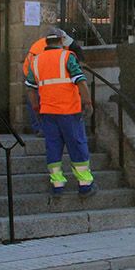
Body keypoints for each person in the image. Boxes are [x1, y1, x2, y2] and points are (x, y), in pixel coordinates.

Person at [25, 29, 95, 196]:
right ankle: (85, 185)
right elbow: (81, 82)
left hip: (48, 113)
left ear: (46, 42)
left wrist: (36, 108)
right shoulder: (67, 57)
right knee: (77, 146)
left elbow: (30, 89)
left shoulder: (35, 61)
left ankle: (57, 186)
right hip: (69, 111)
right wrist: (88, 103)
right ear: (61, 40)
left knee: (53, 148)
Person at [21, 30, 83, 136]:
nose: (65, 45)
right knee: (34, 98)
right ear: (59, 41)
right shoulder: (41, 49)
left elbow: (75, 48)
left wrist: (79, 62)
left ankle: (47, 127)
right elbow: (42, 65)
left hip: (43, 74)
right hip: (36, 73)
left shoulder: (57, 44)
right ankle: (39, 128)